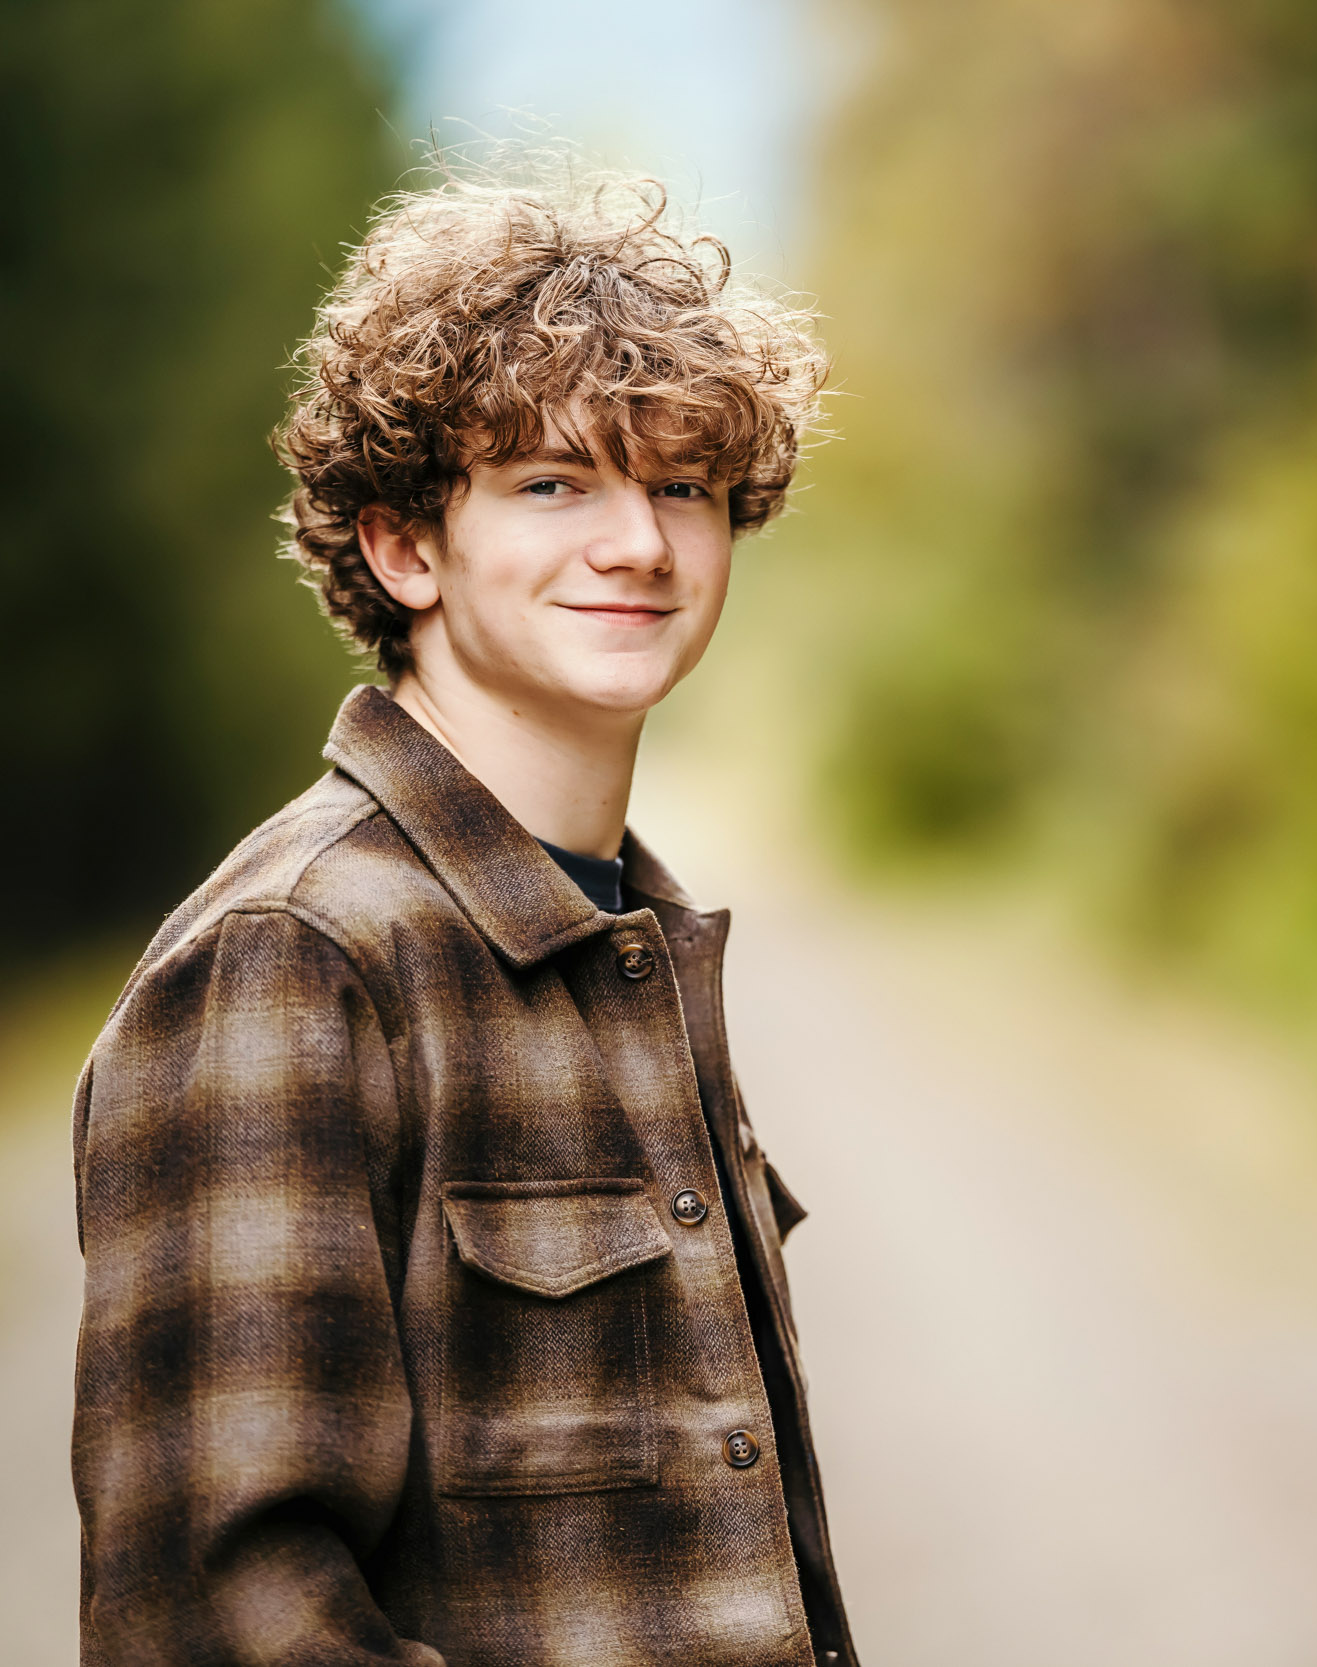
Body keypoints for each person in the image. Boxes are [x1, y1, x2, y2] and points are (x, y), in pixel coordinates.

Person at [69, 170, 855, 1667]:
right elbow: (222, 1619)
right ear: (404, 547)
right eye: (554, 484)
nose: (639, 544)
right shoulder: (295, 959)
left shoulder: (631, 938)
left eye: (681, 485)